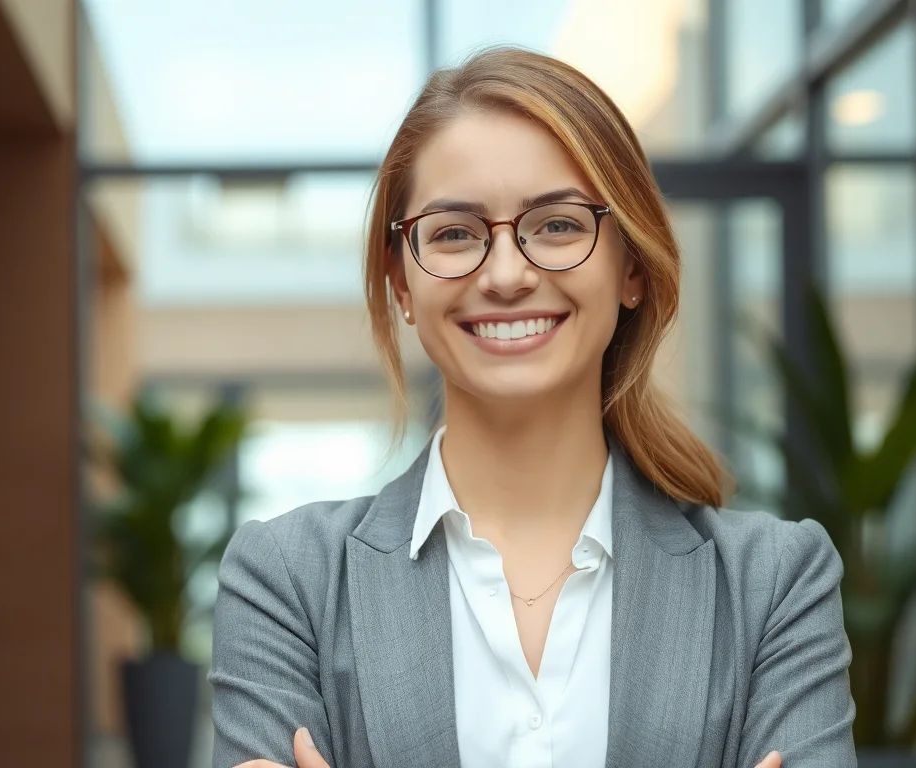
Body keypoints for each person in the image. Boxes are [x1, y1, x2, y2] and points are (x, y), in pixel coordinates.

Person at [208, 47, 856, 768]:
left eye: (557, 225)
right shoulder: (288, 581)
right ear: (401, 284)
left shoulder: (774, 586)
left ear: (631, 266)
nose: (508, 274)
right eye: (454, 234)